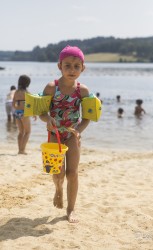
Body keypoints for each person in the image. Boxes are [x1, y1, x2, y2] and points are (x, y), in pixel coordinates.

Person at [39, 45, 90, 223]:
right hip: (55, 135)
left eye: (77, 66)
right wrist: (48, 121)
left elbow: (88, 117)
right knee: (58, 173)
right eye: (67, 65)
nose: (72, 70)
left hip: (72, 135)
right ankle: (58, 189)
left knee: (72, 173)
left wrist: (78, 131)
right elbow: (41, 111)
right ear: (59, 66)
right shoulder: (52, 87)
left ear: (83, 68)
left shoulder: (82, 91)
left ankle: (71, 210)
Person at [13, 75, 37, 154]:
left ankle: (19, 149)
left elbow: (13, 104)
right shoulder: (27, 93)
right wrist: (33, 114)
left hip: (17, 113)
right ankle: (22, 150)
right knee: (27, 132)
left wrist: (18, 108)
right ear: (27, 84)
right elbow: (30, 105)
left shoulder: (16, 92)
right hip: (24, 113)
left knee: (21, 132)